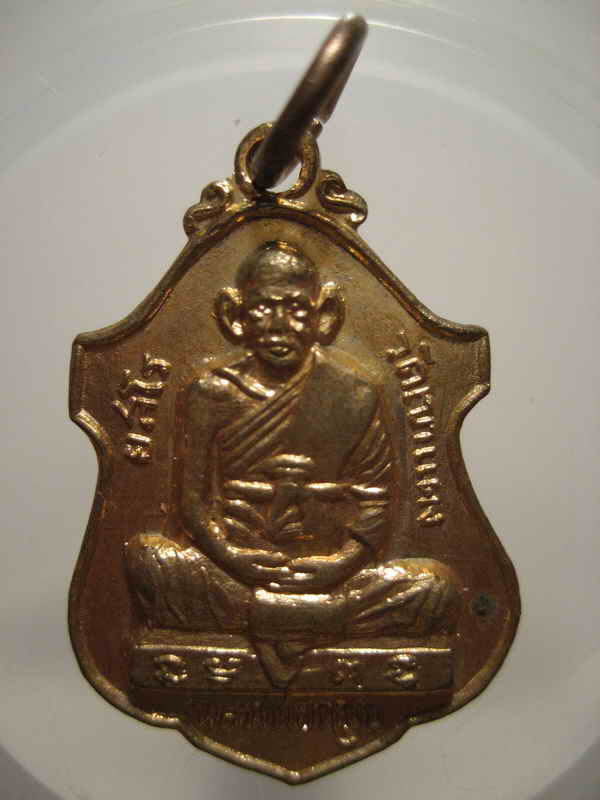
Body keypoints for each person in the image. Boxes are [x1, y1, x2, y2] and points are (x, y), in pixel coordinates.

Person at [126, 241, 458, 687]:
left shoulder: (354, 393)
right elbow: (193, 506)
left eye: (297, 309)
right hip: (236, 570)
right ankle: (318, 619)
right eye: (263, 309)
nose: (279, 325)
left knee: (433, 585)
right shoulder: (213, 393)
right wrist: (234, 558)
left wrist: (341, 564)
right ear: (235, 316)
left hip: (329, 575)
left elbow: (377, 500)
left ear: (324, 315)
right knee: (150, 559)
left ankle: (270, 617)